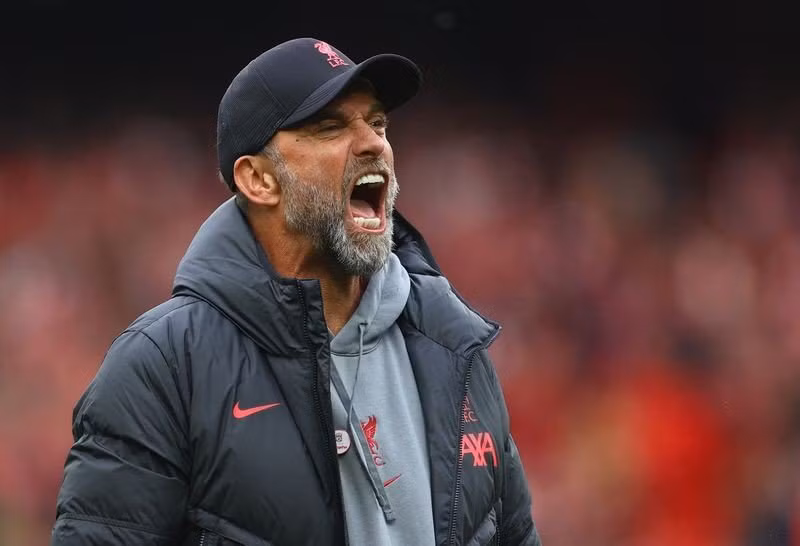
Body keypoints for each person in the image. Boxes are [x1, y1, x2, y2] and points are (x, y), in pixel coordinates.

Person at [51, 37, 542, 545]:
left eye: (377, 123)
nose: (373, 143)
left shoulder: (454, 346)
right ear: (259, 180)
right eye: (330, 127)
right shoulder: (167, 365)